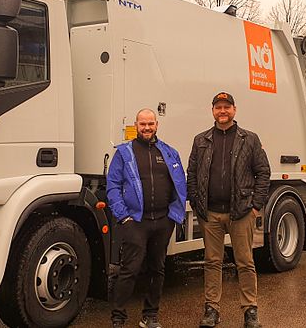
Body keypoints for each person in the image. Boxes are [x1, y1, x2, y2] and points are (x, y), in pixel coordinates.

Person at [186, 92, 270, 328]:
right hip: (210, 213)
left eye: (226, 107)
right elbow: (191, 173)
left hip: (241, 212)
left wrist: (255, 206)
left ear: (234, 109)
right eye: (218, 107)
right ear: (212, 111)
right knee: (212, 262)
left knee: (245, 262)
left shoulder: (249, 139)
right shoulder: (201, 140)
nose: (222, 111)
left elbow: (263, 172)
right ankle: (211, 309)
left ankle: (250, 310)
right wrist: (196, 202)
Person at [106, 109, 187, 328]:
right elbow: (112, 186)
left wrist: (174, 216)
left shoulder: (169, 152)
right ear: (136, 125)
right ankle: (118, 318)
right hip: (135, 222)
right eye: (143, 124)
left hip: (162, 221)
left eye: (151, 123)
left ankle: (150, 316)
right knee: (129, 270)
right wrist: (124, 216)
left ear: (157, 125)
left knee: (157, 269)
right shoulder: (125, 153)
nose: (147, 128)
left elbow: (179, 184)